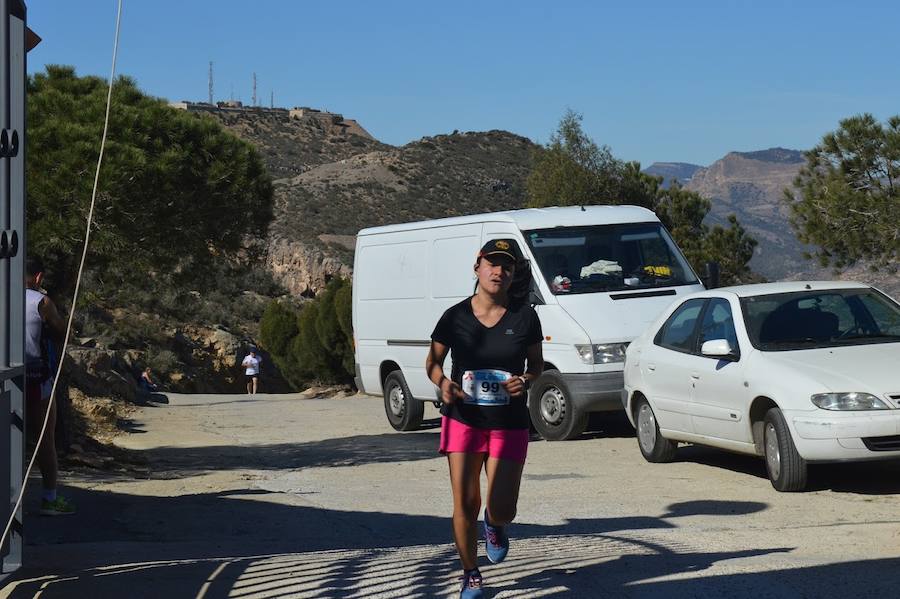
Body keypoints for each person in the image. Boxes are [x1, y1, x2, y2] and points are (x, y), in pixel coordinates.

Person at [425, 239, 544, 599]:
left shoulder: (525, 316)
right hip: (464, 418)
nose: (499, 272)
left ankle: (495, 524)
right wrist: (443, 383)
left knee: (502, 506)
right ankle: (471, 573)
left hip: (509, 422)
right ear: (477, 267)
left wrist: (525, 380)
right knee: (465, 502)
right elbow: (432, 362)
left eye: (506, 267)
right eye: (492, 264)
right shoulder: (454, 317)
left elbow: (536, 366)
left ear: (512, 275)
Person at [24, 257, 75, 516]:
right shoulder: (41, 302)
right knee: (45, 439)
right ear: (38, 277)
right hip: (36, 378)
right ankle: (50, 498)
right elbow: (62, 333)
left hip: (7, 378)